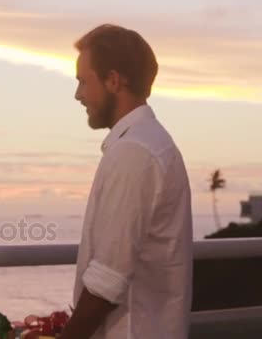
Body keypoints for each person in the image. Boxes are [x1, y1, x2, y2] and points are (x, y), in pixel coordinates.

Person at [60, 24, 193, 339]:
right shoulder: (150, 143)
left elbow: (108, 278)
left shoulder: (134, 152)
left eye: (83, 81)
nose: (78, 95)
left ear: (113, 80)